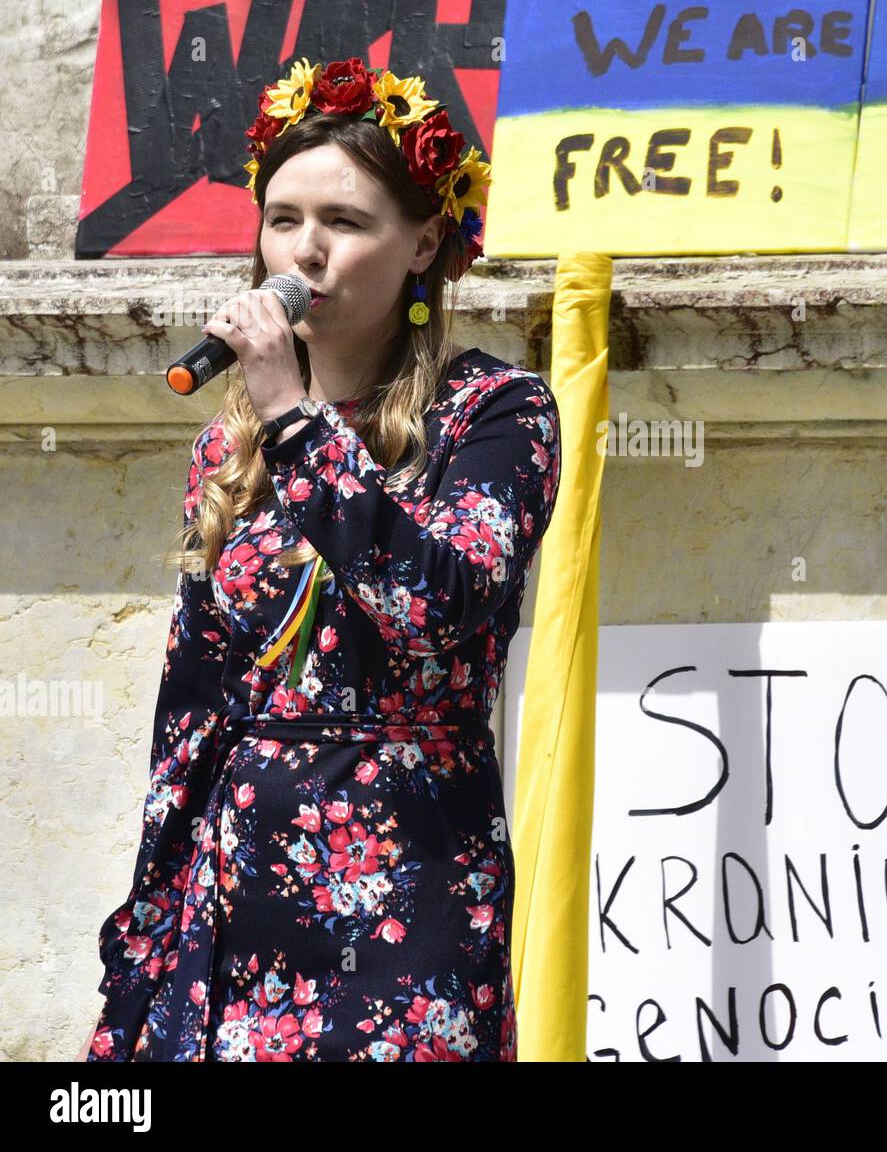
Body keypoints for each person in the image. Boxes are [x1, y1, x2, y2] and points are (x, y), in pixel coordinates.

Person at [78, 57, 561, 1061]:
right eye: (284, 218)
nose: (305, 251)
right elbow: (195, 703)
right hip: (235, 880)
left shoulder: (498, 414)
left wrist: (296, 416)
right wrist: (148, 924)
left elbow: (437, 604)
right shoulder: (231, 441)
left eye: (343, 222)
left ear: (424, 238)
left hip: (406, 888)